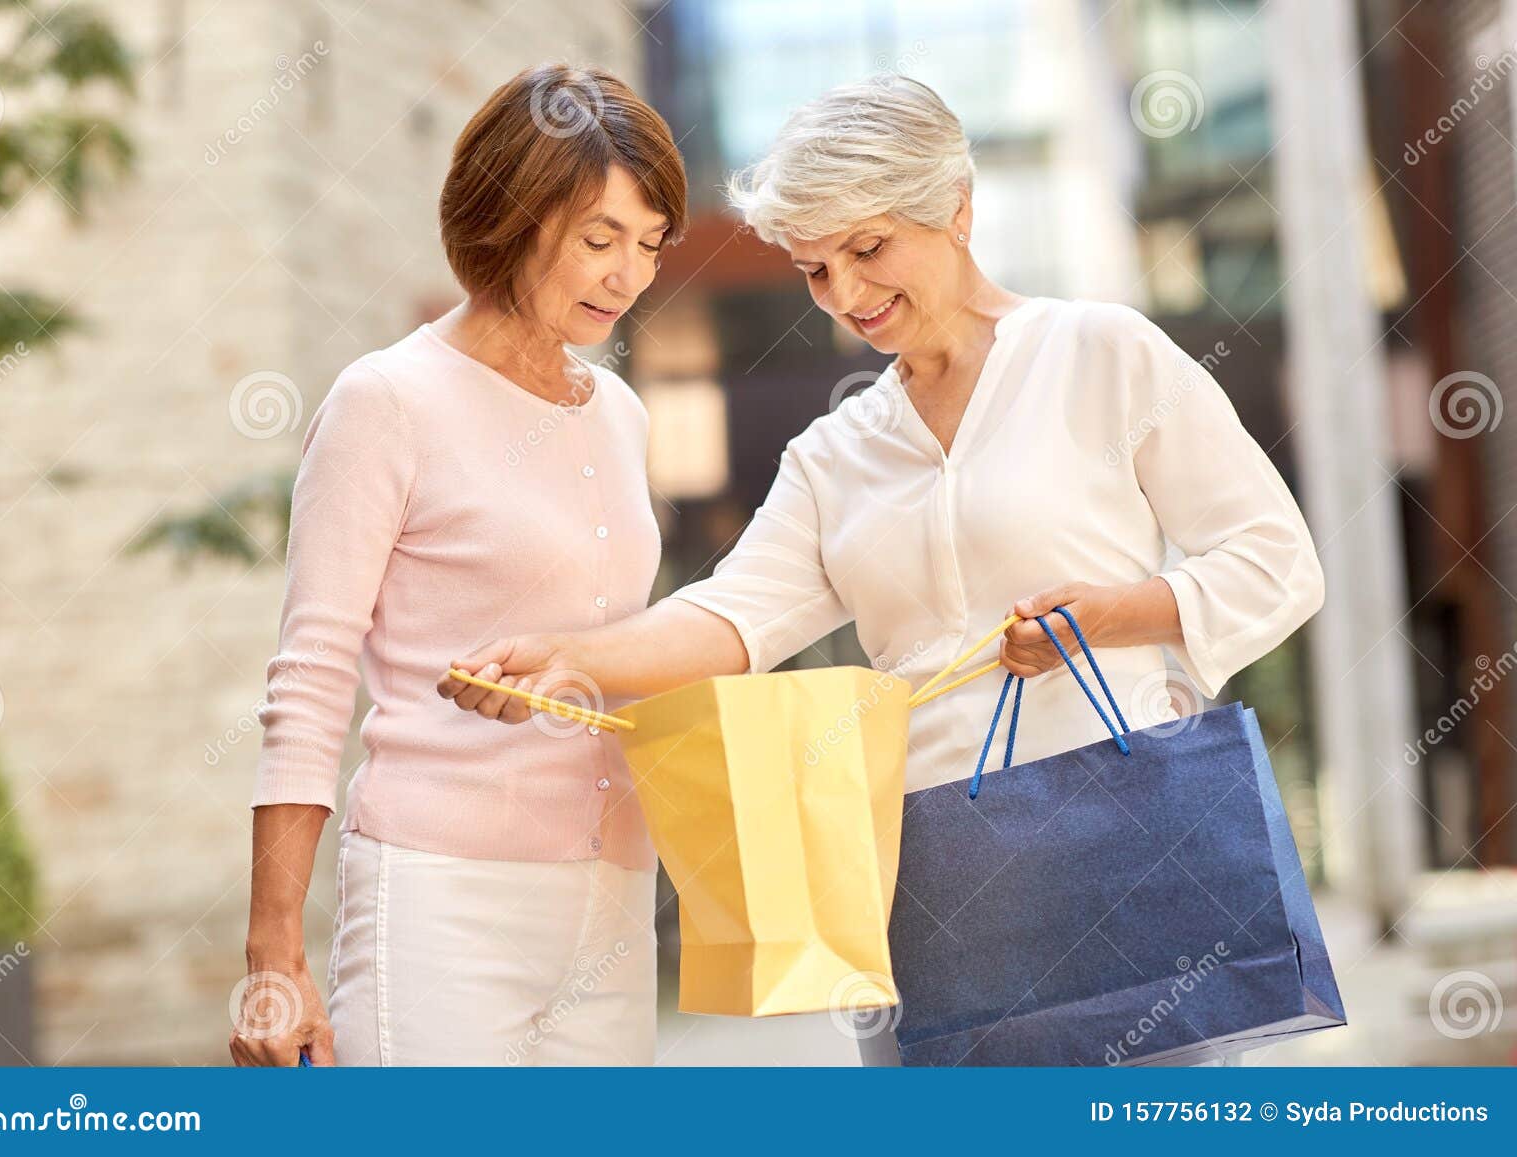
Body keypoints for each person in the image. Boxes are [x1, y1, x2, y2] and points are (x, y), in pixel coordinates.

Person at [442, 75, 1322, 1067]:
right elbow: (733, 617)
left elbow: (1275, 560)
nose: (848, 294)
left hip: (1119, 842)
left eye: (868, 248)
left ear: (955, 206)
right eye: (816, 269)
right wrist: (572, 657)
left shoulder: (1100, 354)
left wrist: (1114, 613)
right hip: (926, 877)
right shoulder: (834, 452)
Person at [233, 63, 687, 1067]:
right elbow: (308, 681)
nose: (629, 274)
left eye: (649, 243)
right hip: (442, 896)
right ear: (511, 217)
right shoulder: (387, 401)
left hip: (612, 901)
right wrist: (274, 952)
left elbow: (628, 646)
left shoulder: (620, 413)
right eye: (598, 238)